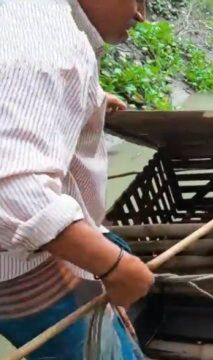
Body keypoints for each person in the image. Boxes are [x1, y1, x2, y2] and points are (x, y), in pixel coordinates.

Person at [0, 0, 154, 358]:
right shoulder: (49, 47)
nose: (141, 14)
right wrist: (113, 266)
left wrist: (89, 99)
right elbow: (9, 187)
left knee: (115, 242)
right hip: (25, 267)